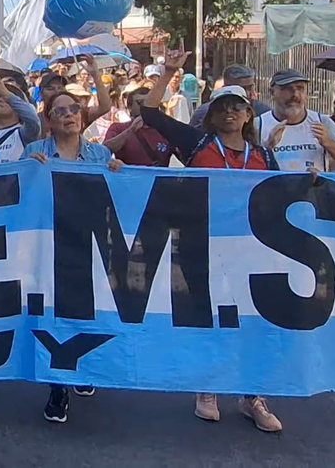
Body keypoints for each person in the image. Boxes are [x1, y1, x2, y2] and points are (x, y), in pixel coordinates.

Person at [140, 51, 283, 432]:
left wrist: (314, 181)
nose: (230, 113)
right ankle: (207, 387)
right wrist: (168, 73)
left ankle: (252, 395)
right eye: (223, 107)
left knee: (250, 321)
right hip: (202, 245)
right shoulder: (196, 144)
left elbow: (280, 197)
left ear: (248, 114)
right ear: (213, 113)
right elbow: (150, 114)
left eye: (238, 107)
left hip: (249, 250)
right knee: (207, 316)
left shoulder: (265, 156)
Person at [21, 90, 122, 423]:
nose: (69, 114)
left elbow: (113, 199)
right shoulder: (35, 152)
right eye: (59, 110)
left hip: (88, 243)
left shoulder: (100, 154)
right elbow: (20, 194)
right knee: (51, 314)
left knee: (86, 310)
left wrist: (118, 173)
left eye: (74, 108)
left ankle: (83, 367)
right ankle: (57, 386)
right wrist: (25, 170)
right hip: (48, 244)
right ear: (49, 120)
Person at [256, 69, 335, 172]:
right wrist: (267, 147)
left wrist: (328, 142)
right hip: (275, 187)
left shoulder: (321, 121)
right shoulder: (258, 124)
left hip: (313, 187)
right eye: (287, 89)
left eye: (300, 88)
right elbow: (245, 167)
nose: (295, 94)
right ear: (272, 93)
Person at [103, 87, 174, 167]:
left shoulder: (166, 131)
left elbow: (187, 157)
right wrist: (131, 130)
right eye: (140, 102)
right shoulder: (118, 128)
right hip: (128, 177)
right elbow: (104, 150)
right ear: (130, 108)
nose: (145, 106)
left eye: (150, 102)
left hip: (158, 178)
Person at [189, 64, 271, 128]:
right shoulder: (205, 112)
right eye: (242, 88)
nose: (248, 93)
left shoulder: (263, 112)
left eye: (251, 87)